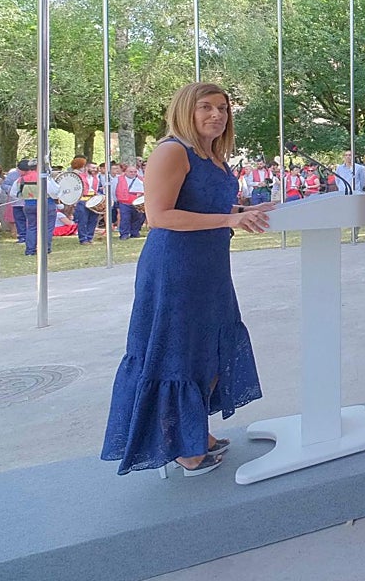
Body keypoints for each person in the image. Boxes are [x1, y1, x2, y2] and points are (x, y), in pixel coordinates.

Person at [102, 83, 271, 477]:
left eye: (223, 109)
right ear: (185, 111)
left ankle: (195, 431)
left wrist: (244, 209)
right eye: (206, 108)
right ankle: (180, 446)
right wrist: (230, 219)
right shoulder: (171, 150)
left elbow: (203, 205)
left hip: (209, 268)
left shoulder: (211, 156)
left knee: (207, 349)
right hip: (175, 269)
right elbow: (159, 216)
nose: (217, 115)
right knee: (176, 351)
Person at [114, 162, 146, 239]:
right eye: (131, 172)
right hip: (124, 202)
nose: (133, 173)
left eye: (135, 172)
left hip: (137, 203)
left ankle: (135, 233)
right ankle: (124, 234)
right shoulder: (118, 179)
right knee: (125, 218)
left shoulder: (141, 179)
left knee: (137, 218)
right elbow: (113, 190)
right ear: (126, 172)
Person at [75, 160, 103, 244]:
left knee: (93, 220)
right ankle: (83, 238)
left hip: (93, 200)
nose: (95, 169)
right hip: (82, 200)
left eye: (95, 168)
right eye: (93, 168)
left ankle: (90, 237)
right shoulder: (79, 177)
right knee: (83, 220)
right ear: (86, 168)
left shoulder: (96, 178)